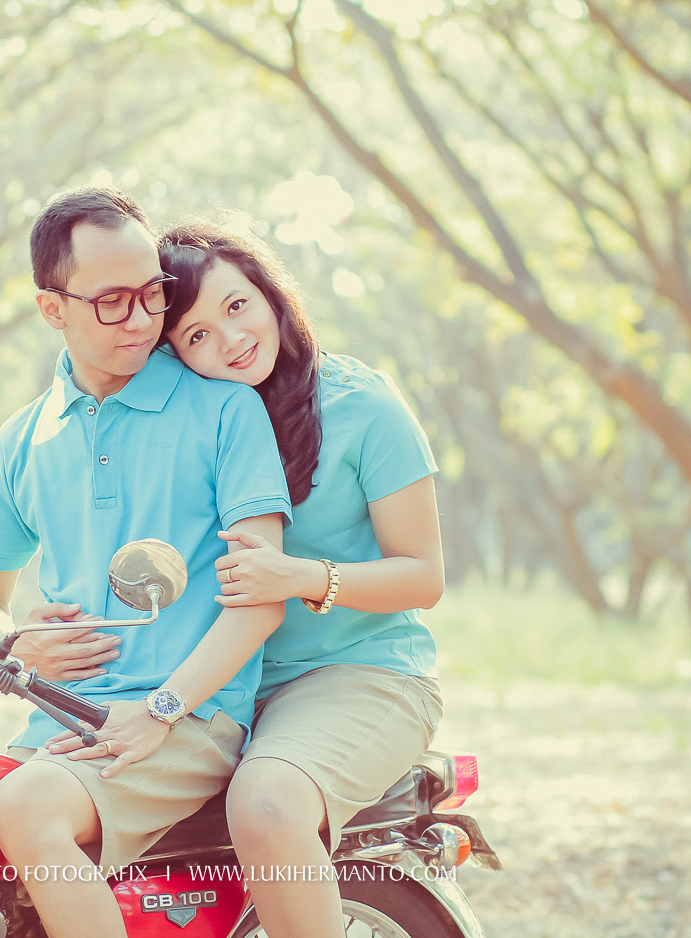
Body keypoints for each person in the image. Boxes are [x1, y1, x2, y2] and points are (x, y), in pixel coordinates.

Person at [0, 188, 294, 938]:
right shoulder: (22, 441)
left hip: (186, 718)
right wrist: (12, 643)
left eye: (153, 293)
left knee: (22, 807)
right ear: (54, 309)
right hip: (64, 724)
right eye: (114, 301)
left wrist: (163, 708)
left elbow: (263, 597)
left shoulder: (223, 411)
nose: (145, 319)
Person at [156, 219, 445, 938]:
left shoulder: (362, 405)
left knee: (268, 805)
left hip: (361, 674)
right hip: (223, 683)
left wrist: (300, 576)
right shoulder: (188, 426)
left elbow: (424, 576)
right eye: (194, 335)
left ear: (270, 295)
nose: (228, 340)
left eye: (236, 306)